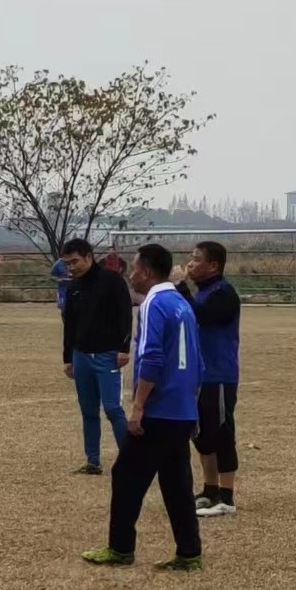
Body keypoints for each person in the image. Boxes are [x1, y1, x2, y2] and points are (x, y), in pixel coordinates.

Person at [83, 244, 203, 571]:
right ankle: (190, 552)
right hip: (181, 410)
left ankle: (121, 549)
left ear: (146, 272)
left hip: (160, 409)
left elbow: (151, 357)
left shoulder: (153, 303)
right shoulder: (182, 303)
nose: (130, 274)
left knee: (126, 476)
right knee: (176, 481)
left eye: (134, 268)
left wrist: (138, 408)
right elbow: (197, 361)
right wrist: (191, 405)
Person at [59, 238, 133, 475]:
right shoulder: (73, 287)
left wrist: (124, 349)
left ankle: (130, 460)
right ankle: (93, 461)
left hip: (107, 355)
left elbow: (125, 316)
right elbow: (68, 324)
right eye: (67, 264)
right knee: (88, 410)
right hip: (81, 356)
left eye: (74, 262)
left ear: (89, 257)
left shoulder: (113, 281)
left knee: (112, 408)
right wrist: (68, 357)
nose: (71, 267)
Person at [180, 240, 241, 517]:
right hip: (198, 376)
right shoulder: (202, 292)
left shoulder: (224, 293)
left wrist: (181, 287)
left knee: (221, 433)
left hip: (219, 376)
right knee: (201, 435)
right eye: (190, 258)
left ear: (213, 265)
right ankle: (210, 490)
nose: (190, 263)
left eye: (196, 259)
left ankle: (226, 499)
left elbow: (202, 316)